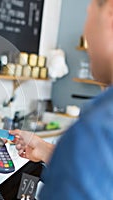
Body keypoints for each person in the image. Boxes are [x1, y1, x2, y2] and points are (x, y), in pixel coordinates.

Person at [12, 0, 113, 199]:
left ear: (109, 12)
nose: (86, 33)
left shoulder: (98, 128)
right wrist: (45, 149)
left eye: (89, 13)